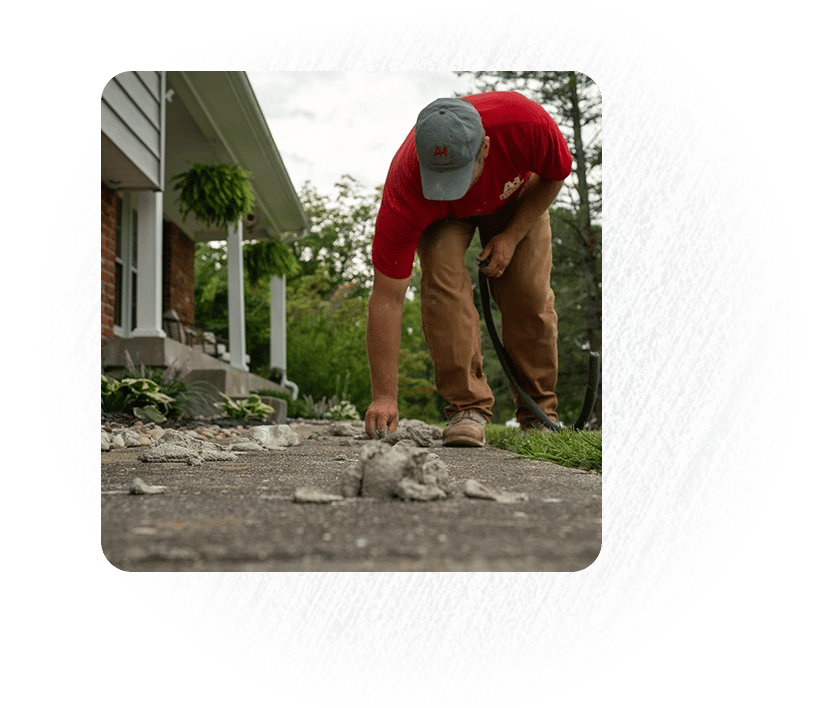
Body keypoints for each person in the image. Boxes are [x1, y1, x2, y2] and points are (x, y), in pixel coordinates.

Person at [364, 91, 573, 447]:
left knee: (528, 291)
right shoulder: (407, 184)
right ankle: (467, 408)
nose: (453, 189)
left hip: (517, 197)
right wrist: (384, 396)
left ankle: (539, 412)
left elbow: (555, 174)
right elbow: (387, 299)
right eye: (441, 176)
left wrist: (511, 236)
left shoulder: (527, 124)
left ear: (486, 148)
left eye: (459, 175)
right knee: (442, 281)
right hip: (442, 216)